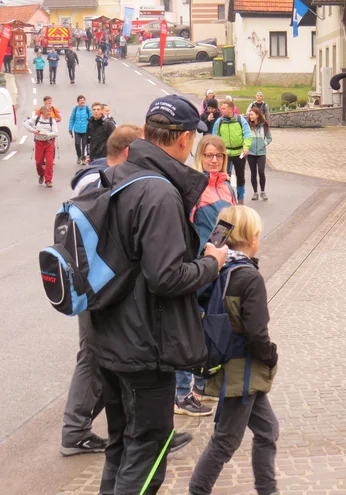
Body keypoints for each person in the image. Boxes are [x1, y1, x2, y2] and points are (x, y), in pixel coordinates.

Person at [88, 95, 227, 494]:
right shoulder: (159, 192)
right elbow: (166, 277)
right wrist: (212, 262)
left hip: (109, 335)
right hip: (145, 347)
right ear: (184, 139)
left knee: (121, 447)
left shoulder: (117, 174)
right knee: (148, 451)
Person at [61, 125, 144, 457]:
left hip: (89, 281)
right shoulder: (105, 183)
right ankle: (75, 431)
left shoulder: (90, 177)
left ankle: (131, 429)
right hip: (101, 285)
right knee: (94, 357)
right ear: (126, 153)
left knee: (100, 356)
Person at [189, 205, 279, 495]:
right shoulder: (249, 277)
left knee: (267, 431)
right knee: (225, 440)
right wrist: (271, 355)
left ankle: (268, 490)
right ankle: (197, 490)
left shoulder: (216, 266)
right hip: (242, 372)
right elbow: (256, 332)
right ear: (253, 238)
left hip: (230, 365)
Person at [175, 135, 237, 416]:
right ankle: (180, 393)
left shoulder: (227, 187)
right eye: (209, 155)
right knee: (189, 329)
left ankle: (201, 385)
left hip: (219, 267)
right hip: (196, 267)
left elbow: (229, 226)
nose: (214, 160)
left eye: (219, 155)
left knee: (211, 328)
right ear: (199, 156)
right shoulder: (192, 188)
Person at [212, 101, 252, 204]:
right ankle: (227, 198)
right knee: (225, 177)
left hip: (239, 154)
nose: (221, 110)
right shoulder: (219, 122)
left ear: (230, 110)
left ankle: (240, 198)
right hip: (226, 154)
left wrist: (246, 147)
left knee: (240, 177)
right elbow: (214, 137)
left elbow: (247, 135)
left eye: (224, 109)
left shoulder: (240, 120)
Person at [23, 106, 58, 187]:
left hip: (49, 143)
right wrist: (33, 130)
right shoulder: (36, 119)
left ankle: (48, 180)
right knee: (38, 162)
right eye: (47, 112)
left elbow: (56, 133)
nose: (49, 114)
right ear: (42, 113)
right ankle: (41, 174)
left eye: (50, 112)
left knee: (49, 162)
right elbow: (25, 123)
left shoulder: (52, 121)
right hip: (39, 143)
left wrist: (47, 134)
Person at [246, 106, 271, 201]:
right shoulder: (248, 125)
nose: (250, 116)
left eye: (252, 114)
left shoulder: (264, 125)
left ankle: (263, 192)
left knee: (261, 172)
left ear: (257, 115)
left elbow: (269, 137)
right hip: (251, 152)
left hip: (261, 152)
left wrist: (264, 143)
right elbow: (245, 136)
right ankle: (255, 193)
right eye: (249, 115)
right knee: (253, 173)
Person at [69, 95, 92, 166]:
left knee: (84, 144)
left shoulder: (88, 109)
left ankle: (83, 158)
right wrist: (70, 128)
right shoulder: (75, 109)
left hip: (85, 130)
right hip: (77, 130)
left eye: (83, 100)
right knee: (77, 144)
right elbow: (72, 119)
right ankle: (79, 156)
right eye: (81, 100)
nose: (82, 101)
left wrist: (92, 128)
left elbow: (91, 119)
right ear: (78, 102)